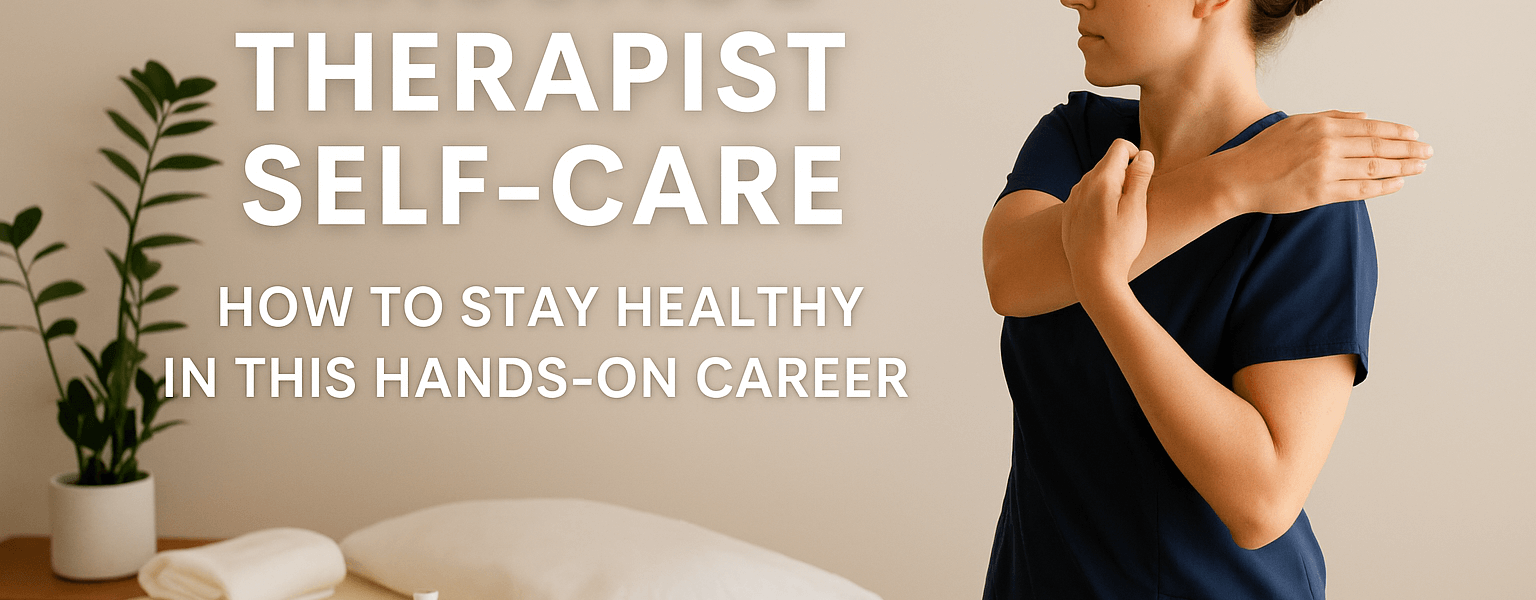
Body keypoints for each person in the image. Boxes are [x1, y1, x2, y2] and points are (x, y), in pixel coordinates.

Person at [979, 0, 1434, 598]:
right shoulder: (1078, 137)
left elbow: (1261, 500)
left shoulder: (1310, 205)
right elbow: (1011, 278)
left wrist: (1105, 288)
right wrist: (1237, 180)